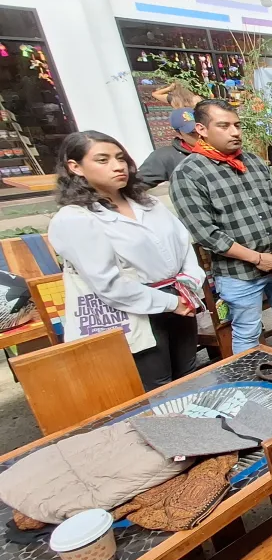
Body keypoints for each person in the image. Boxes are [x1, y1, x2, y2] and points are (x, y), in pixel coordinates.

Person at [49, 130, 205, 390]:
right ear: (75, 167)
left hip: (180, 298)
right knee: (158, 386)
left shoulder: (149, 203)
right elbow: (108, 283)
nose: (118, 166)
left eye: (120, 158)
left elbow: (183, 245)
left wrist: (190, 284)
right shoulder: (76, 218)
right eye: (103, 160)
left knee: (189, 375)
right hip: (135, 310)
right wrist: (169, 302)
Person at [170, 99, 272, 356]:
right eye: (224, 126)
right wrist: (257, 259)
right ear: (201, 130)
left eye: (237, 125)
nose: (235, 132)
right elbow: (207, 234)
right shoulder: (188, 174)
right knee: (247, 331)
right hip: (239, 273)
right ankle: (249, 388)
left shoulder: (254, 162)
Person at [139, 108, 200, 188]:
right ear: (179, 134)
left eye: (202, 129)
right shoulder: (164, 156)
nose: (200, 135)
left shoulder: (219, 148)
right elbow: (136, 185)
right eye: (193, 132)